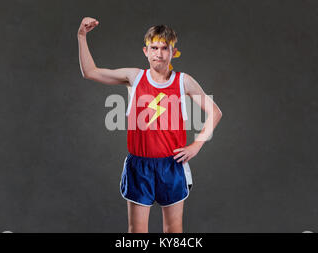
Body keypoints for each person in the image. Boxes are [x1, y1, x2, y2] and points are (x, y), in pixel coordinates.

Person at [77, 17, 222, 233]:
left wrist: (196, 145)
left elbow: (215, 112)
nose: (159, 53)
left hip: (171, 166)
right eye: (154, 47)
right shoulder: (134, 78)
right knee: (137, 231)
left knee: (173, 230)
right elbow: (90, 72)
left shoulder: (183, 81)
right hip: (139, 166)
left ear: (173, 52)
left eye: (165, 48)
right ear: (146, 51)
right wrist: (81, 36)